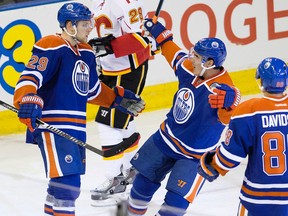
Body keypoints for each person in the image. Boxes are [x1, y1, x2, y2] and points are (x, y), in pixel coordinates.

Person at [13, 2, 145, 215]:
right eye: (85, 24)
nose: (90, 28)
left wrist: (116, 100)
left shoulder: (86, 52)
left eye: (90, 22)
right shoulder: (51, 44)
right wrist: (27, 98)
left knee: (60, 184)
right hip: (52, 124)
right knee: (69, 185)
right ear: (69, 25)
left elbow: (92, 90)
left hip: (75, 127)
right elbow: (30, 76)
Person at [126, 19, 241, 215]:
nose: (191, 58)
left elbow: (230, 115)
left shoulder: (222, 92)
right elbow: (172, 51)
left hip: (194, 156)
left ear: (210, 63)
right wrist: (160, 33)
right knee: (140, 189)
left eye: (196, 56)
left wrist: (232, 101)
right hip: (165, 139)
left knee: (174, 207)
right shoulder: (189, 67)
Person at [198, 57, 288, 216]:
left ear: (260, 81)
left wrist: (213, 164)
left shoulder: (248, 110)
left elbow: (230, 156)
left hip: (257, 198)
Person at [89, 0, 156, 207]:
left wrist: (107, 46)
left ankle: (114, 179)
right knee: (122, 122)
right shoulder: (99, 2)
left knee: (107, 123)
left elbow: (139, 41)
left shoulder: (123, 4)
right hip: (110, 70)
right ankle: (132, 170)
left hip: (127, 71)